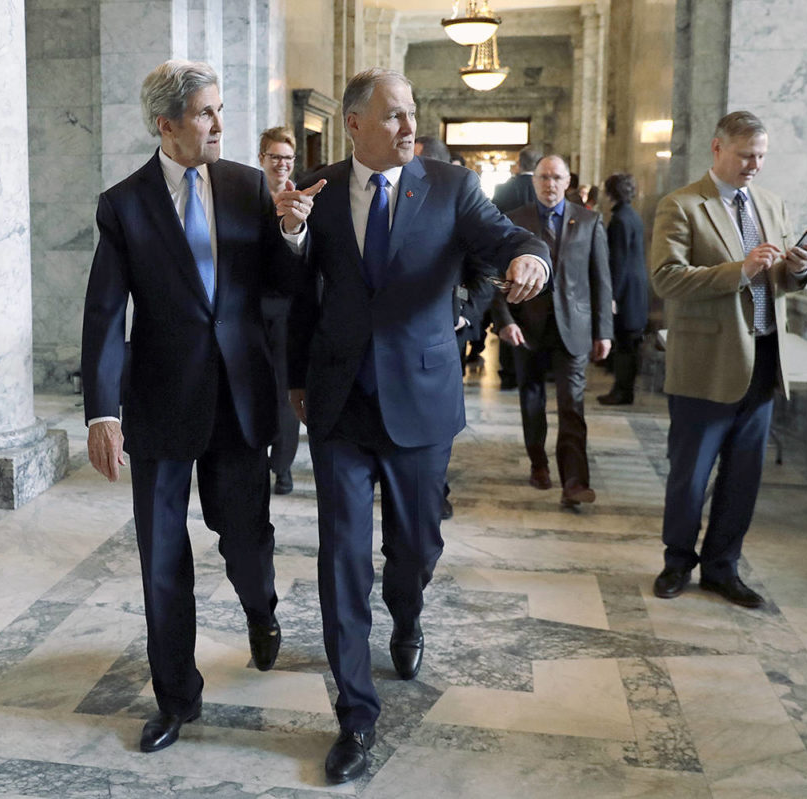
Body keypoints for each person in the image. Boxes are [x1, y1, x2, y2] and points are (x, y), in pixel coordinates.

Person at [283, 68, 549, 784]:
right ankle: (355, 717)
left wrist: (530, 257)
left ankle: (407, 614)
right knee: (341, 556)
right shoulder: (319, 187)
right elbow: (300, 289)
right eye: (395, 117)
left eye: (412, 116)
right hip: (341, 401)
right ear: (353, 126)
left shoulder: (451, 186)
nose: (409, 128)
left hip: (422, 402)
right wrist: (296, 375)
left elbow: (504, 240)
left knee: (415, 546)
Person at [81, 60, 304, 753]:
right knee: (163, 558)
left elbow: (280, 283)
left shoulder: (246, 185)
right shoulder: (123, 204)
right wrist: (101, 410)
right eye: (204, 113)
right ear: (166, 125)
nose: (217, 123)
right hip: (159, 403)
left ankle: (261, 611)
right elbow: (105, 311)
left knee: (244, 542)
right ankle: (177, 696)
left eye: (219, 110)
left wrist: (293, 232)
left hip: (240, 398)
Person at [650, 110, 807, 609]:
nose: (755, 165)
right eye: (746, 155)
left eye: (761, 155)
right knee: (690, 476)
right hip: (705, 363)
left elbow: (780, 281)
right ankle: (677, 561)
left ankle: (723, 567)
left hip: (763, 360)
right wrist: (738, 270)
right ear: (718, 149)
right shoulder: (682, 206)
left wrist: (799, 270)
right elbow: (666, 278)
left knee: (743, 478)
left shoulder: (771, 204)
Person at [491, 154, 613, 507]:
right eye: (543, 178)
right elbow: (496, 278)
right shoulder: (515, 220)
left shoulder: (589, 221)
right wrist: (505, 321)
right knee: (531, 400)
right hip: (528, 326)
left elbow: (601, 280)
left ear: (568, 181)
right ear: (534, 181)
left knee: (572, 404)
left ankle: (574, 482)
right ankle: (538, 463)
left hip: (573, 327)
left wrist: (603, 330)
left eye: (557, 178)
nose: (550, 184)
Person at [414, 135, 497, 519]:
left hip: (448, 330)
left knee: (437, 414)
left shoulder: (459, 200)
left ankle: (435, 487)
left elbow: (484, 270)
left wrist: (464, 314)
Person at [258, 125, 302, 494]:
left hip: (290, 311)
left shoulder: (303, 199)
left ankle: (282, 464)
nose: (282, 164)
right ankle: (255, 457)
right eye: (276, 158)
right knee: (254, 389)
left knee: (287, 393)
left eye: (288, 158)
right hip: (250, 310)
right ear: (263, 159)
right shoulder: (246, 196)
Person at [489, 147, 542, 388]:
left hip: (505, 258)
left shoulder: (503, 190)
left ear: (518, 164)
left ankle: (509, 373)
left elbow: (491, 226)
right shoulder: (540, 188)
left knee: (509, 311)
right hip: (539, 262)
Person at [598, 173, 649, 405]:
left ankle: (622, 391)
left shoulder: (619, 220)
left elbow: (617, 262)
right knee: (629, 342)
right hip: (635, 289)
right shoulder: (632, 216)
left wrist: (611, 296)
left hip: (625, 291)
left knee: (625, 343)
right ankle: (623, 389)